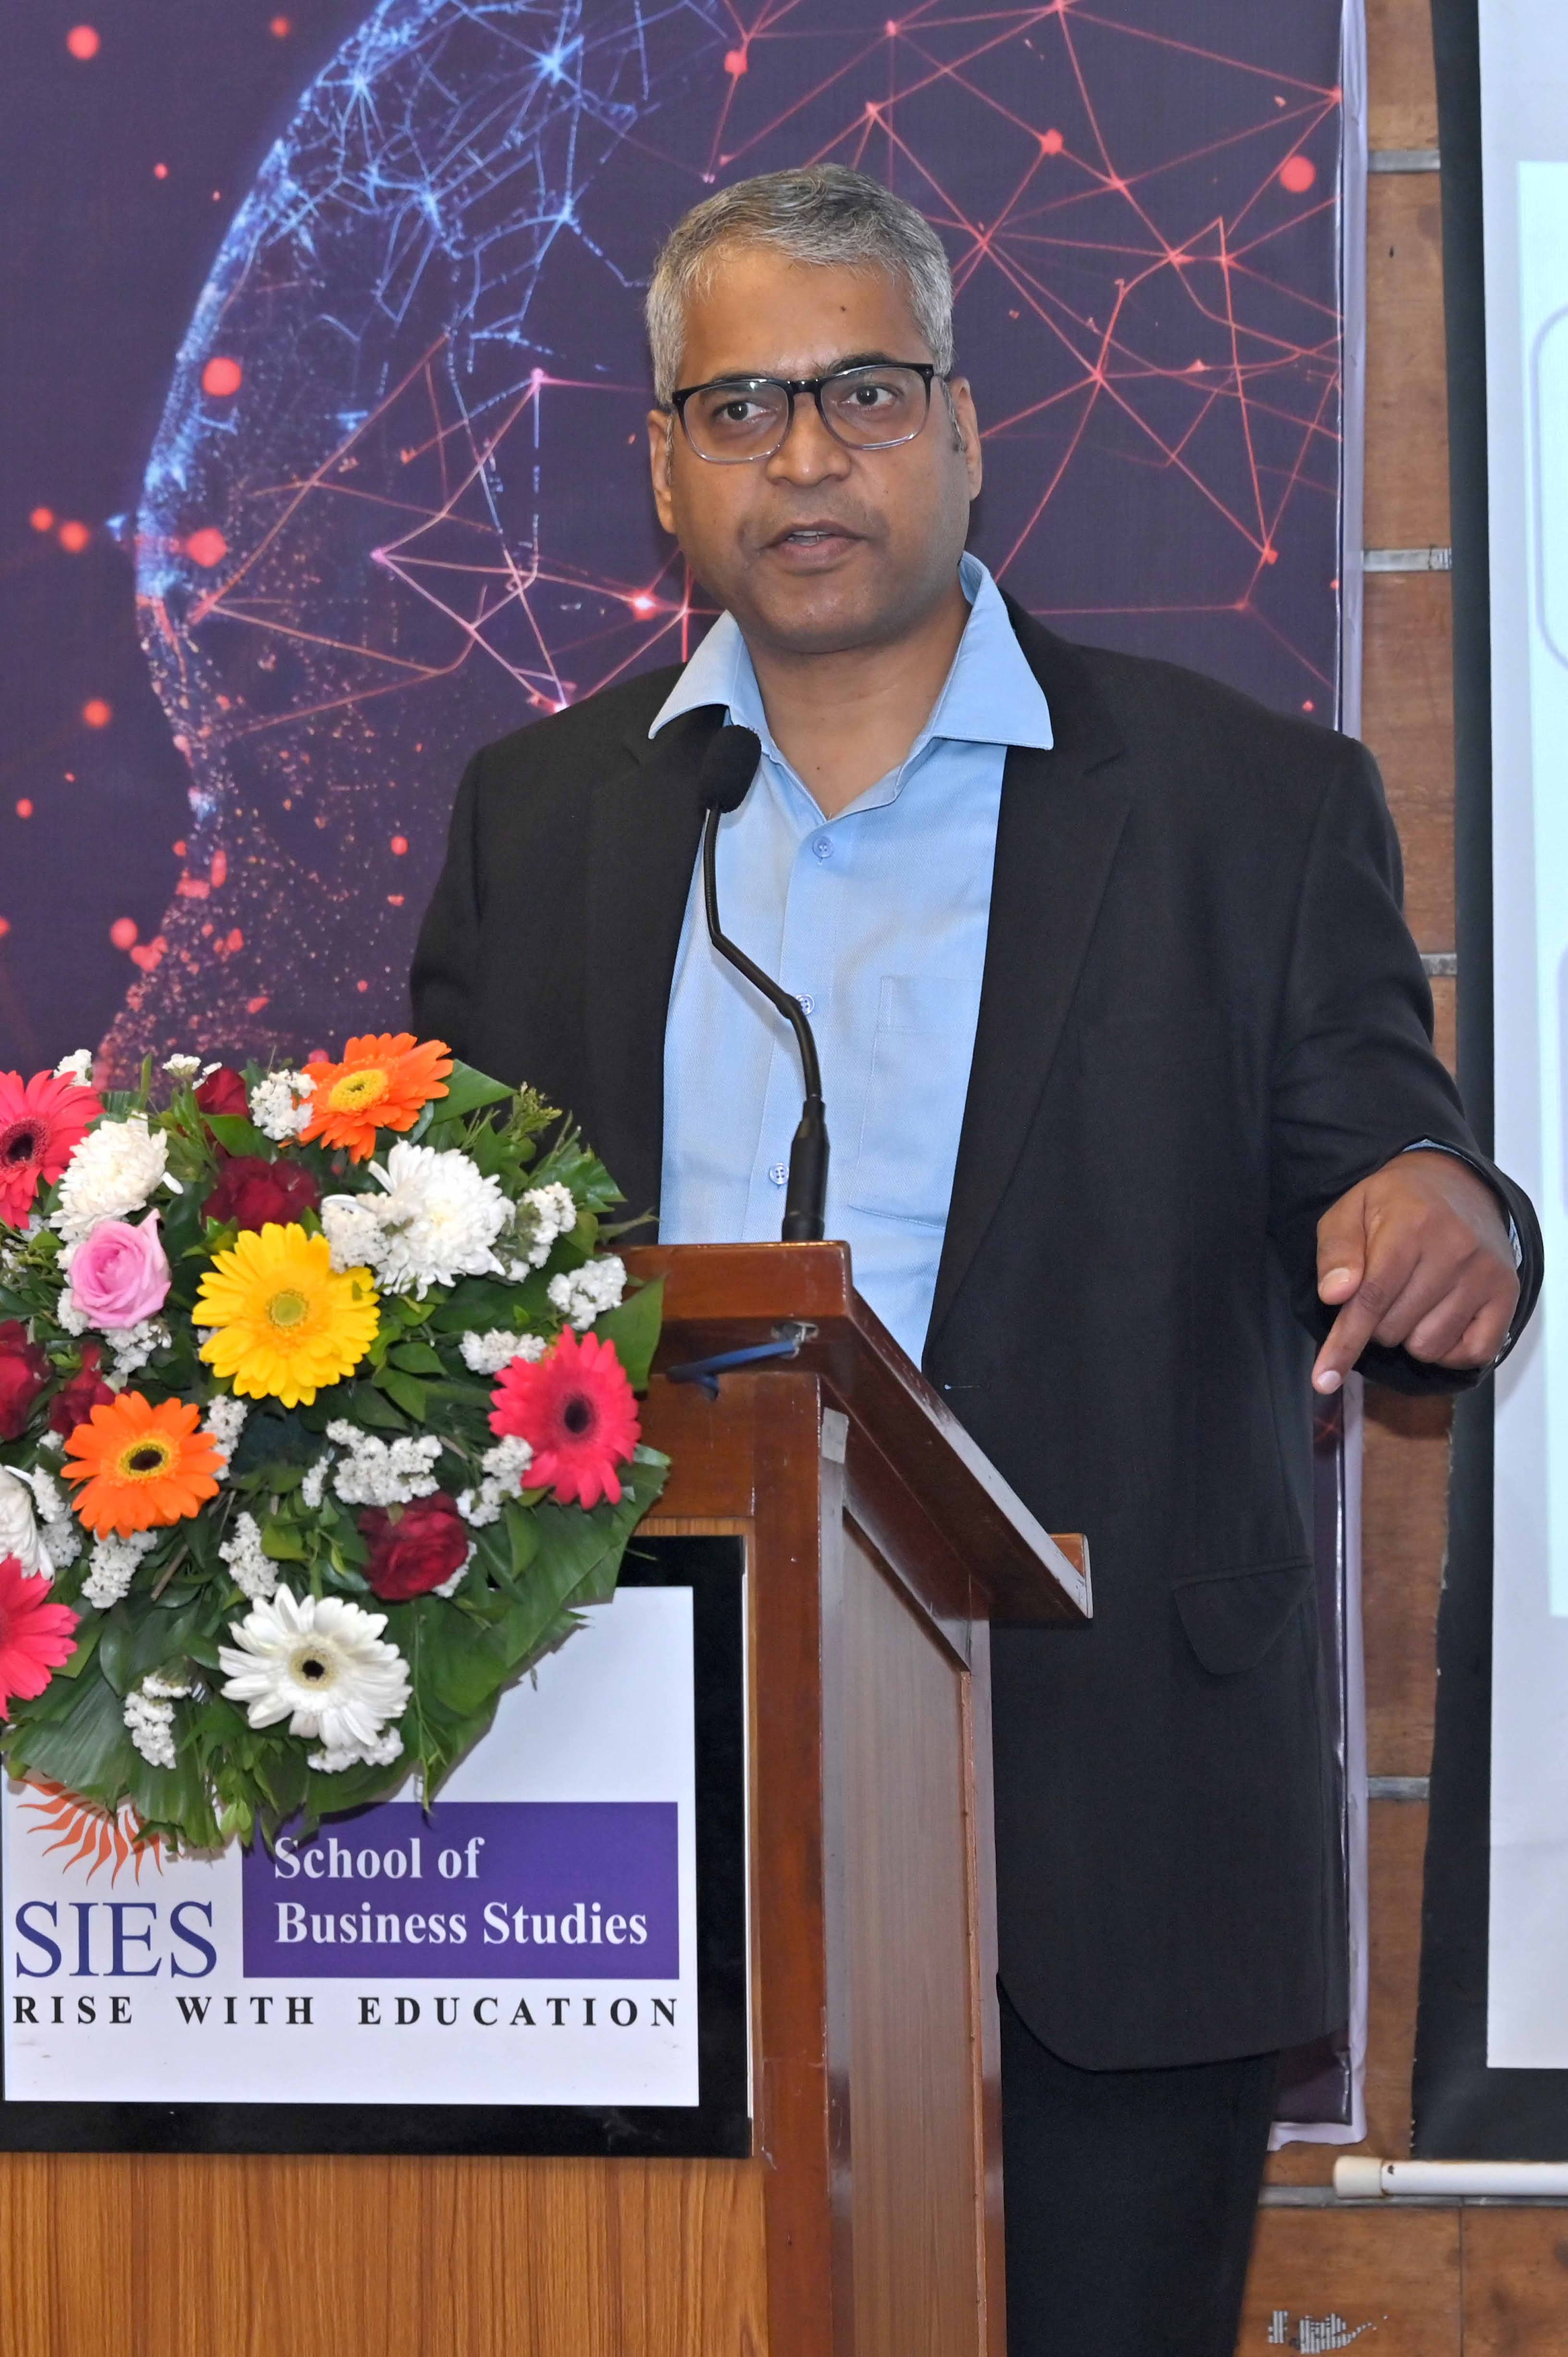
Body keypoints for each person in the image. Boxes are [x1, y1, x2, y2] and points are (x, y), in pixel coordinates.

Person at [412, 165, 1541, 2355]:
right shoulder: (539, 824)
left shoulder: (1241, 800)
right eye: (739, 406)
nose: (804, 455)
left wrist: (1450, 1213)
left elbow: (1399, 1165)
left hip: (1106, 1837)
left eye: (863, 391)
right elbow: (442, 1283)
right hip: (628, 1838)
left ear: (964, 426)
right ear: (665, 467)